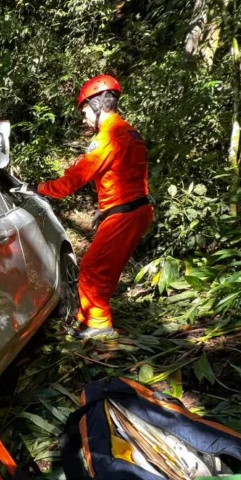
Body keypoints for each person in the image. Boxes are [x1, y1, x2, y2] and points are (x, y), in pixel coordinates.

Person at [37, 74, 154, 340]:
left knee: (91, 268)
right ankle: (89, 319)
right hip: (137, 209)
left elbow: (73, 181)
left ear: (98, 105)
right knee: (104, 267)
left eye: (86, 111)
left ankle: (100, 326)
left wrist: (40, 188)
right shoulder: (129, 131)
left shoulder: (109, 136)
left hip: (125, 213)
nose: (84, 118)